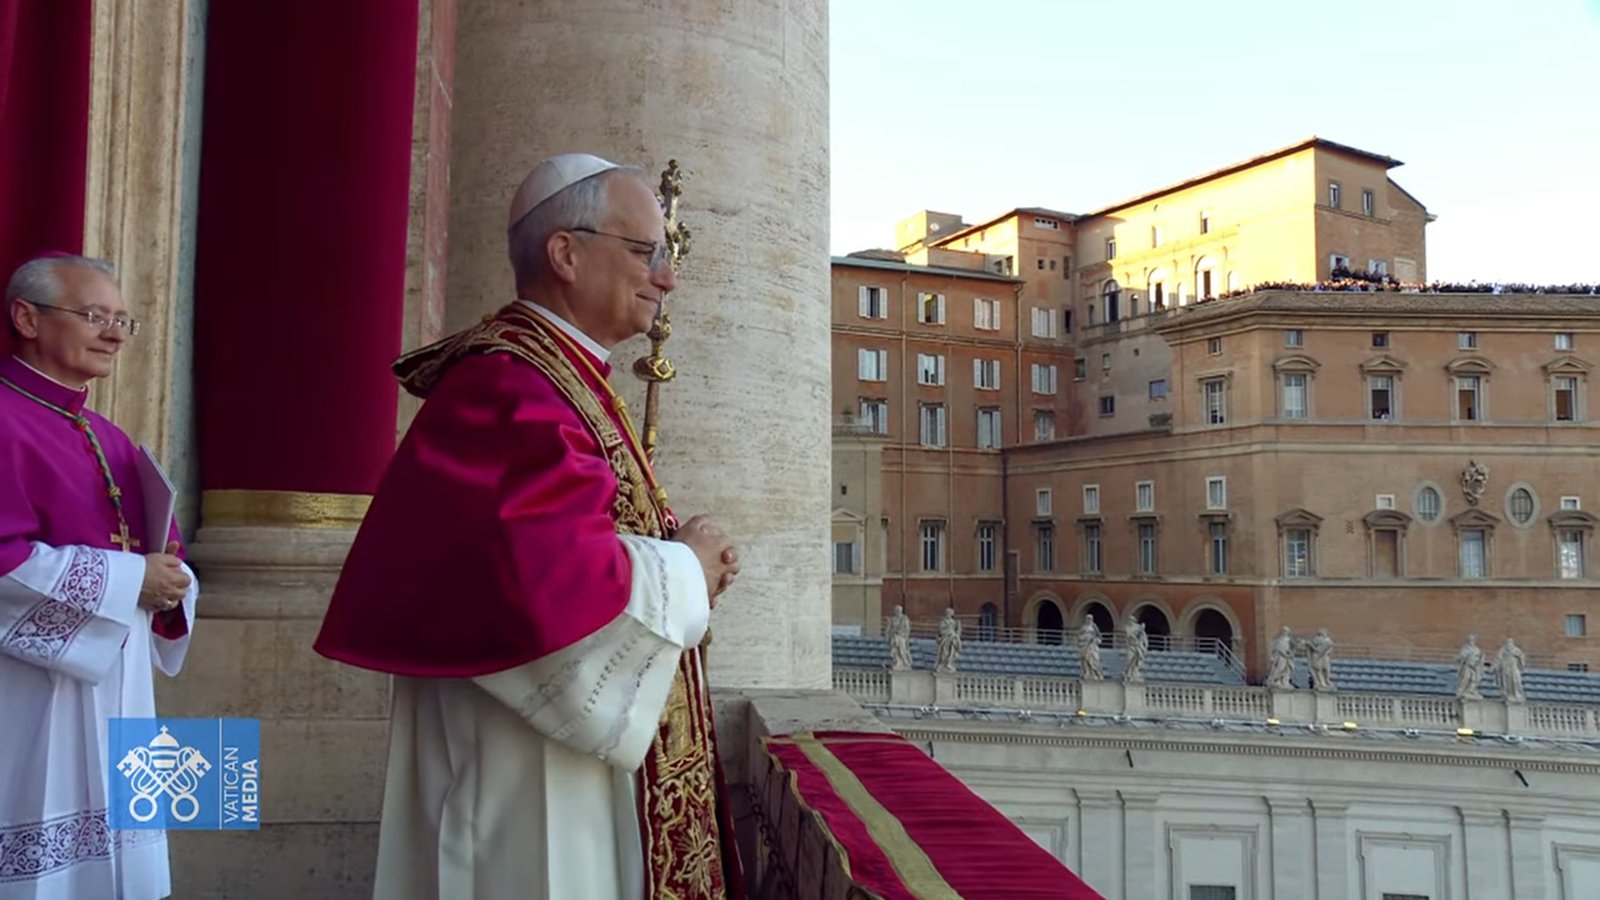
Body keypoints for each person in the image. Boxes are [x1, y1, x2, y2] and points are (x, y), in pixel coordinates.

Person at [313, 153, 745, 900]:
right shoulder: (513, 386)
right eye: (645, 251)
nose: (667, 278)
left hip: (547, 754)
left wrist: (682, 562)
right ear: (566, 254)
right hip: (525, 766)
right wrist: (685, 572)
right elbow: (543, 584)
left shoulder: (558, 375)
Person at [0, 255, 198, 900]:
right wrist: (129, 581)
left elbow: (161, 555)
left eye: (123, 321)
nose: (114, 334)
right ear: (27, 318)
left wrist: (171, 585)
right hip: (26, 692)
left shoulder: (110, 436)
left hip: (121, 683)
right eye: (94, 316)